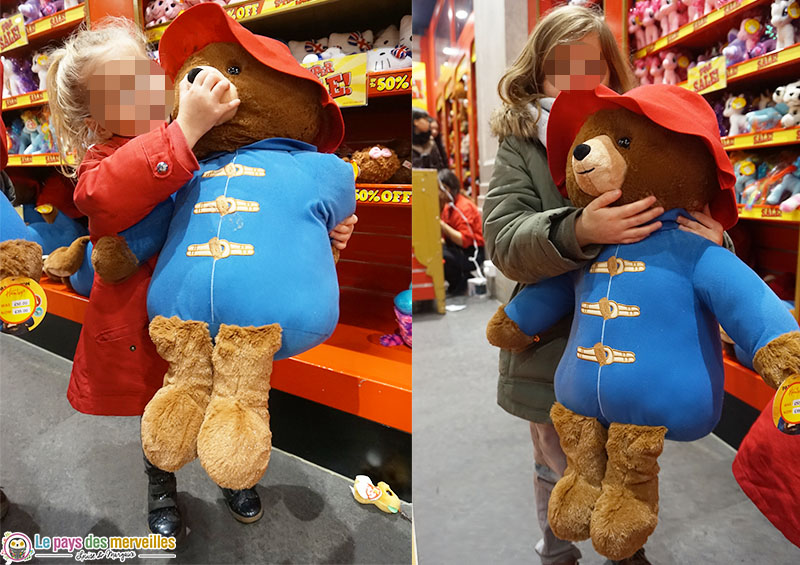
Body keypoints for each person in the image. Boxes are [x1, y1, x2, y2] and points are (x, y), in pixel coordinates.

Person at [45, 17, 356, 543]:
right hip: (145, 322)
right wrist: (185, 130)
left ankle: (230, 470)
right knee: (161, 406)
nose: (147, 92)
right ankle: (160, 481)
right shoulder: (104, 161)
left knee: (229, 388)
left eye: (147, 74)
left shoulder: (207, 142)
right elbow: (105, 197)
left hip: (215, 308)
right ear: (94, 121)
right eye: (122, 89)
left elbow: (261, 206)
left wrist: (323, 233)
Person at [482, 5, 728, 565]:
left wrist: (717, 243)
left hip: (637, 347)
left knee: (628, 461)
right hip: (550, 351)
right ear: (535, 73)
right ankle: (557, 548)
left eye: (590, 67)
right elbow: (502, 238)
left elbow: (683, 213)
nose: (575, 82)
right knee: (555, 461)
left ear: (612, 73)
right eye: (560, 69)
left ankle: (625, 547)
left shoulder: (642, 132)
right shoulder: (524, 143)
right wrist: (576, 230)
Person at [439, 168, 484, 295]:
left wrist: (441, 224)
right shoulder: (448, 207)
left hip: (472, 254)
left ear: (447, 189)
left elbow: (464, 240)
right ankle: (458, 282)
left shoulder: (464, 207)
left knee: (440, 256)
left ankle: (461, 283)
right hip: (458, 250)